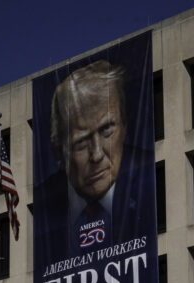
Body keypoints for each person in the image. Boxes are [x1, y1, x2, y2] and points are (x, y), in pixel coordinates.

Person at [47, 60, 147, 249]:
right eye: (81, 141)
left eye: (107, 129)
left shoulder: (150, 178)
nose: (97, 155)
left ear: (124, 126)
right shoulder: (43, 208)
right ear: (59, 153)